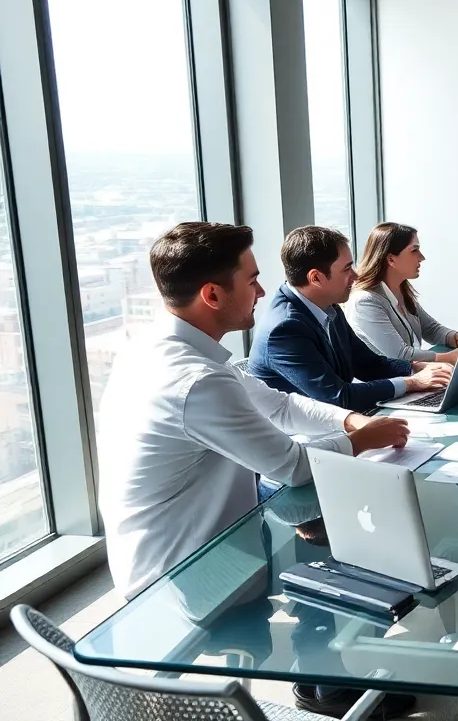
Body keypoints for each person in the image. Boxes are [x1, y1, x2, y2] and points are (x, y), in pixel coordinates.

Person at [96, 222, 411, 600]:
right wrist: (360, 440)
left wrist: (348, 419)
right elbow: (292, 467)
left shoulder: (164, 349)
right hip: (190, 577)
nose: (263, 292)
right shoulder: (195, 381)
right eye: (252, 281)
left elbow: (278, 404)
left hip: (199, 556)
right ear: (212, 294)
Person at [249, 226, 453, 412]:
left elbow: (366, 363)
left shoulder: (328, 306)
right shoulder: (285, 329)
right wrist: (413, 382)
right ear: (316, 278)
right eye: (347, 269)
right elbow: (338, 397)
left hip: (335, 424)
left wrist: (416, 368)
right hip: (305, 441)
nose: (355, 276)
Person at [348, 222, 458, 362]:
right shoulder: (365, 301)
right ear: (391, 259)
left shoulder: (401, 290)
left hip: (412, 376)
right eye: (414, 250)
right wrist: (451, 357)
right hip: (386, 381)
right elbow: (400, 355)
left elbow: (431, 329)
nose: (422, 257)